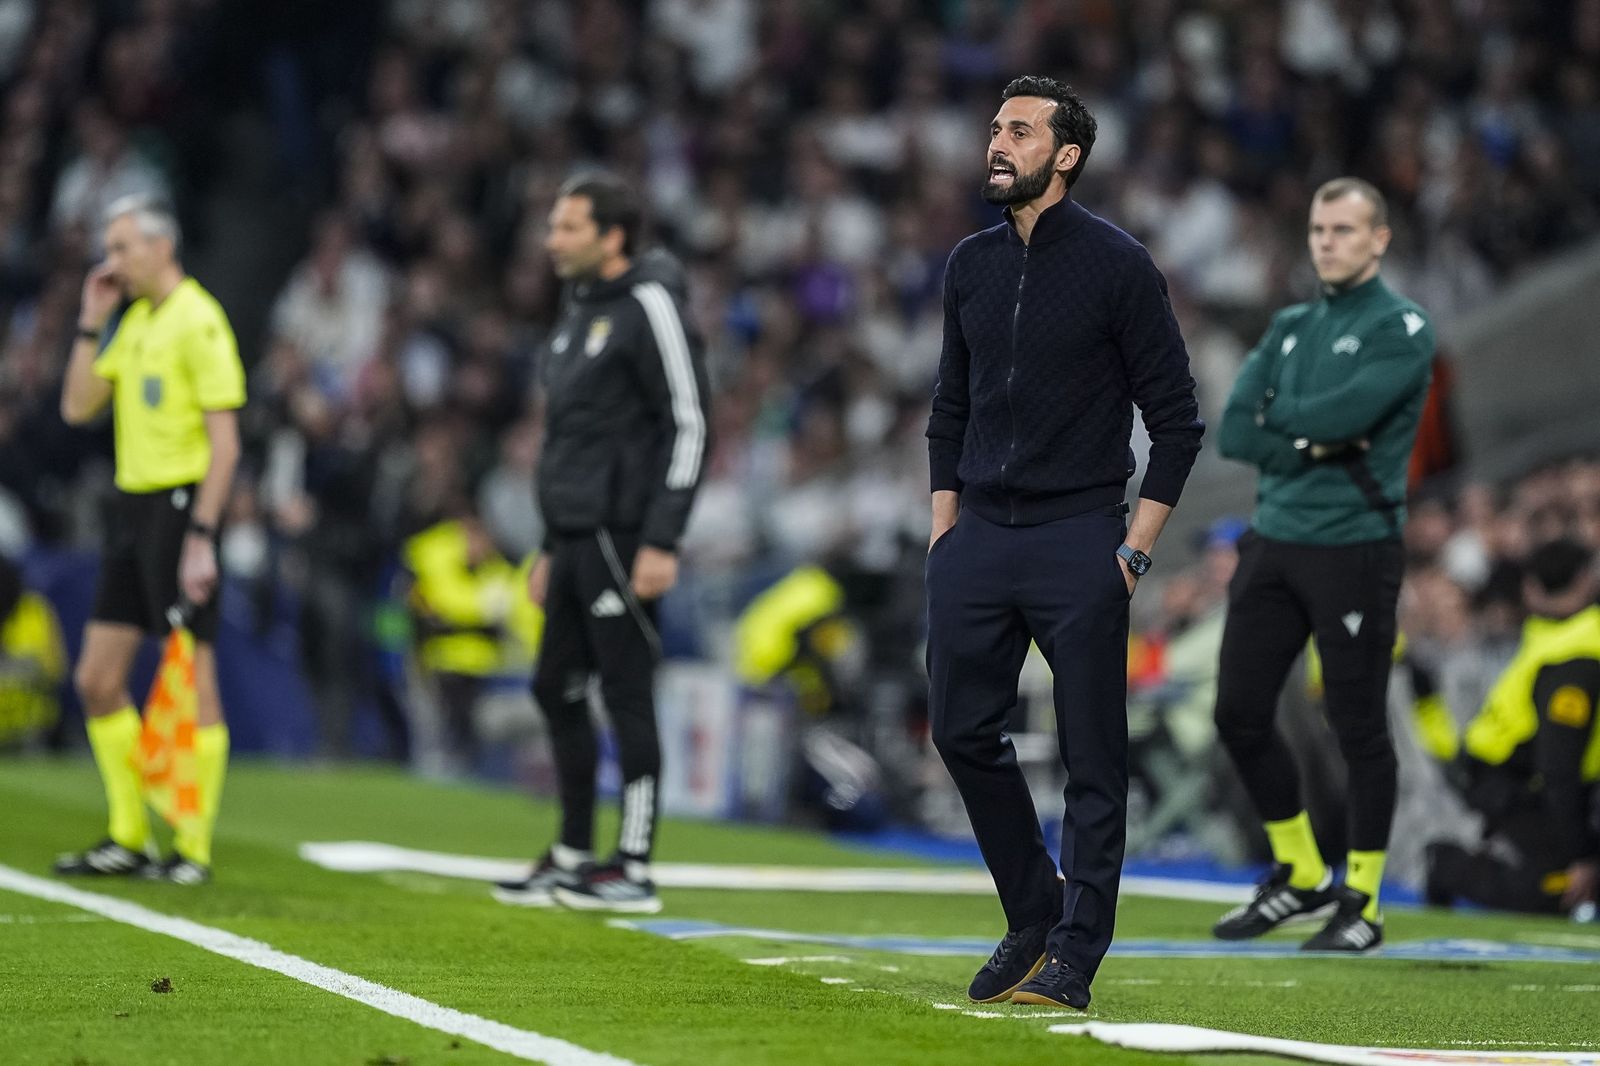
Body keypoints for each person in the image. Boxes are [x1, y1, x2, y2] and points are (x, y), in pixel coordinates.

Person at [924, 75, 1203, 1010]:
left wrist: (1133, 550)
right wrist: (943, 532)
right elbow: (948, 408)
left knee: (1094, 757)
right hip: (977, 540)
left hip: (1079, 537)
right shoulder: (969, 263)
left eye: (1018, 130)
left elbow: (1177, 422)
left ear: (1066, 155)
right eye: (993, 125)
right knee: (961, 731)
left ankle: (1077, 954)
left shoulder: (1120, 266)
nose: (996, 142)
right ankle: (1034, 912)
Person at [1211, 177, 1435, 951]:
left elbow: (1350, 413)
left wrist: (1296, 425)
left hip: (1354, 545)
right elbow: (1237, 430)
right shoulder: (1292, 325)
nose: (1328, 242)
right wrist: (1313, 441)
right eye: (1318, 229)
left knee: (1356, 724)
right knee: (1237, 713)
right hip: (1274, 541)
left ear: (1380, 240)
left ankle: (1364, 900)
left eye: (1345, 229)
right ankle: (1303, 873)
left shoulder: (1403, 327)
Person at [492, 174, 709, 914]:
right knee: (554, 686)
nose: (552, 240)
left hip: (624, 533)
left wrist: (662, 538)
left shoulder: (650, 304)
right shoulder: (576, 306)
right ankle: (575, 850)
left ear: (612, 237)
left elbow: (690, 421)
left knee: (625, 693)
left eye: (568, 228)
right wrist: (551, 543)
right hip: (575, 535)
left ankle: (635, 865)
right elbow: (568, 438)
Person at [55, 194, 245, 884]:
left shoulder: (199, 320)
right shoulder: (133, 321)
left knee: (194, 678)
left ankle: (190, 846)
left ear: (163, 247)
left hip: (181, 504)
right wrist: (89, 320)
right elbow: (77, 406)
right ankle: (129, 834)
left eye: (124, 246)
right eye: (109, 248)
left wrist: (201, 536)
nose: (114, 261)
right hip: (132, 509)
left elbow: (226, 446)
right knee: (97, 679)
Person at [1422, 538, 1600, 915]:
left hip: (1549, 783)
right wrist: (1580, 855)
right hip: (1515, 784)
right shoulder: (1576, 655)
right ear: (1586, 580)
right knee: (1560, 891)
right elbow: (1558, 766)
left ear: (1532, 589)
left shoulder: (1550, 637)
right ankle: (1448, 865)